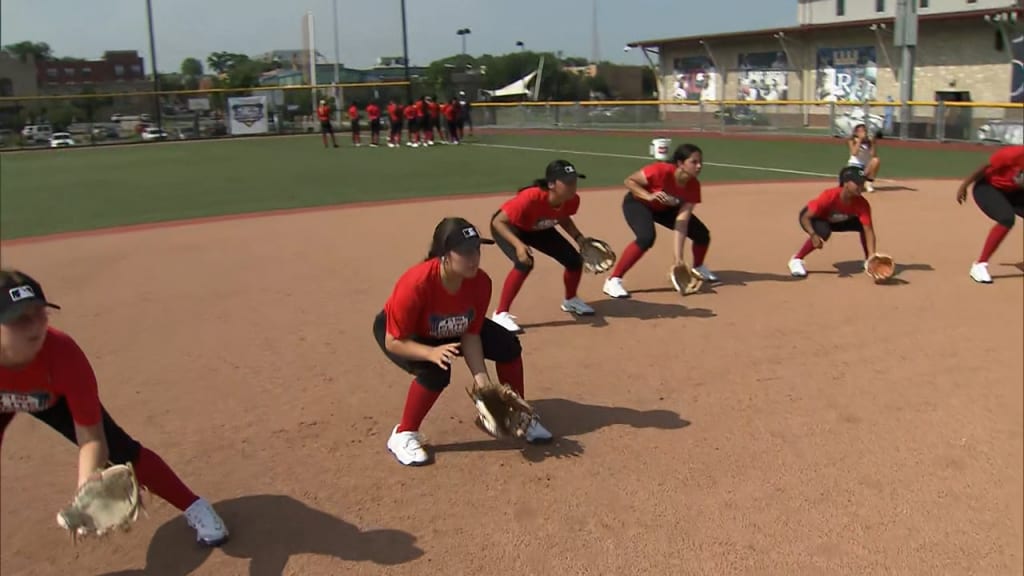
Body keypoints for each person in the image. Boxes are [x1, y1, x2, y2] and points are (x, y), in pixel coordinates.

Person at [0, 269, 229, 546]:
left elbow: (92, 439)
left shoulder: (62, 354)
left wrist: (87, 491)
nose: (36, 325)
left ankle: (195, 506)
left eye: (40, 313)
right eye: (20, 319)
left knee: (121, 450)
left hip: (52, 396)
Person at [372, 218, 552, 466]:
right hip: (406, 333)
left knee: (507, 345)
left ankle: (517, 415)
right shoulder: (416, 284)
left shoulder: (480, 283)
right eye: (466, 252)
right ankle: (404, 433)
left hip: (453, 325)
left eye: (477, 250)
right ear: (444, 255)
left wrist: (484, 384)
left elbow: (470, 333)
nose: (474, 258)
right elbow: (393, 341)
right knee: (436, 371)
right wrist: (430, 352)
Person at [489, 160, 595, 333]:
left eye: (574, 181)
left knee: (574, 260)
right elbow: (498, 221)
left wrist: (579, 238)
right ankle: (500, 314)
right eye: (567, 182)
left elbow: (562, 217)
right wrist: (518, 245)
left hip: (538, 227)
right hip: (509, 228)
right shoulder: (531, 197)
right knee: (525, 263)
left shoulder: (572, 200)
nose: (573, 186)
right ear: (551, 184)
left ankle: (570, 300)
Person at [602, 143, 718, 299]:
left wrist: (678, 259)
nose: (699, 166)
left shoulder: (693, 186)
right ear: (680, 163)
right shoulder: (660, 170)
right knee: (646, 238)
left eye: (700, 162)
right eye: (694, 162)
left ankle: (698, 267)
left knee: (702, 234)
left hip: (664, 209)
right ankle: (613, 280)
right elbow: (629, 181)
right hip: (638, 203)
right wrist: (648, 196)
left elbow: (682, 222)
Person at [787, 166, 879, 277]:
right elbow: (805, 217)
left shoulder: (862, 204)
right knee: (823, 232)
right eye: (857, 183)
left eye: (862, 183)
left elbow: (869, 230)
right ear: (845, 183)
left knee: (862, 225)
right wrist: (813, 235)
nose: (861, 186)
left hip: (838, 220)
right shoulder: (829, 196)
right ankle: (796, 259)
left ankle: (868, 261)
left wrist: (872, 256)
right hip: (813, 218)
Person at [956, 144, 1024, 284]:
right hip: (988, 187)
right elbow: (985, 167)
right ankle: (979, 265)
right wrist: (964, 186)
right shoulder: (1013, 154)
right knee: (1006, 218)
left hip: (1014, 192)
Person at [847, 123, 880, 192]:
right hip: (854, 167)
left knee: (876, 160)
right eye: (861, 131)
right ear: (856, 133)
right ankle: (858, 182)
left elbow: (873, 155)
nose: (863, 133)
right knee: (855, 188)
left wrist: (873, 143)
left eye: (864, 131)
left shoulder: (869, 141)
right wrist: (859, 140)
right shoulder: (852, 140)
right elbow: (854, 153)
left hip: (865, 167)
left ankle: (869, 183)